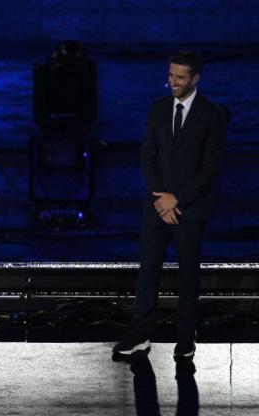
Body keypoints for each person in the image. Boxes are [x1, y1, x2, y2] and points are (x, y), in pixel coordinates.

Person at [113, 51, 227, 362]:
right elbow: (147, 157)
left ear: (195, 79)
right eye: (170, 75)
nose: (172, 82)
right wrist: (161, 198)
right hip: (156, 206)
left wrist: (177, 199)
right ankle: (140, 334)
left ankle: (185, 337)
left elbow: (210, 167)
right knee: (148, 269)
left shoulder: (212, 114)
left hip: (190, 208)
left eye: (179, 77)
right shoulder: (157, 109)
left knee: (188, 274)